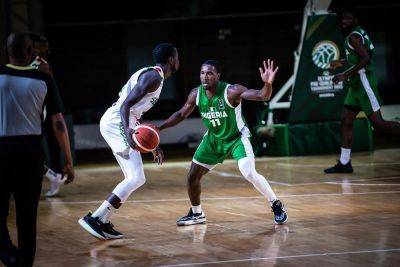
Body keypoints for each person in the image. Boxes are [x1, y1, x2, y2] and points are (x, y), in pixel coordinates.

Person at [158, 59, 288, 226]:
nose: (205, 77)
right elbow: (180, 114)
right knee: (192, 177)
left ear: (218, 76)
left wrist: (267, 83)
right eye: (202, 73)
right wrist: (159, 127)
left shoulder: (231, 91)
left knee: (248, 172)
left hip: (236, 138)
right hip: (214, 139)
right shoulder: (196, 94)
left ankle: (275, 203)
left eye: (210, 73)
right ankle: (197, 214)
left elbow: (263, 95)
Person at [78, 43, 179, 240]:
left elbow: (134, 112)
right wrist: (127, 130)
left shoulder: (155, 77)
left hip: (122, 120)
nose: (178, 61)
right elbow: (125, 106)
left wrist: (152, 145)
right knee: (136, 177)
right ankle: (95, 219)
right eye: (177, 57)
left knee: (134, 177)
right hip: (117, 120)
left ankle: (103, 220)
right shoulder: (154, 76)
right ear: (171, 60)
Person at [0, 32, 75, 267]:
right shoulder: (44, 79)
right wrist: (69, 160)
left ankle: (9, 254)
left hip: (2, 150)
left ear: (6, 51)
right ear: (31, 51)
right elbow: (59, 123)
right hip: (31, 152)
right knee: (27, 215)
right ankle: (22, 261)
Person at [324, 10, 400, 174]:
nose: (344, 20)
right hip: (356, 85)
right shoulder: (358, 34)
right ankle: (345, 163)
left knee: (379, 124)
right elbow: (359, 56)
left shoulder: (353, 36)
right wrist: (341, 62)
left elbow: (366, 59)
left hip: (364, 84)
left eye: (348, 18)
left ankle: (345, 163)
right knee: (346, 120)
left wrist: (344, 74)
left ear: (355, 19)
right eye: (343, 17)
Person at [30, 33, 68, 197]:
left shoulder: (41, 64)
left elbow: (47, 91)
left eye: (44, 46)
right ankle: (54, 175)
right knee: (39, 149)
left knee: (39, 149)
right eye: (42, 46)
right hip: (40, 111)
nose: (44, 49)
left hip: (44, 111)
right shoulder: (36, 63)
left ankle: (55, 175)